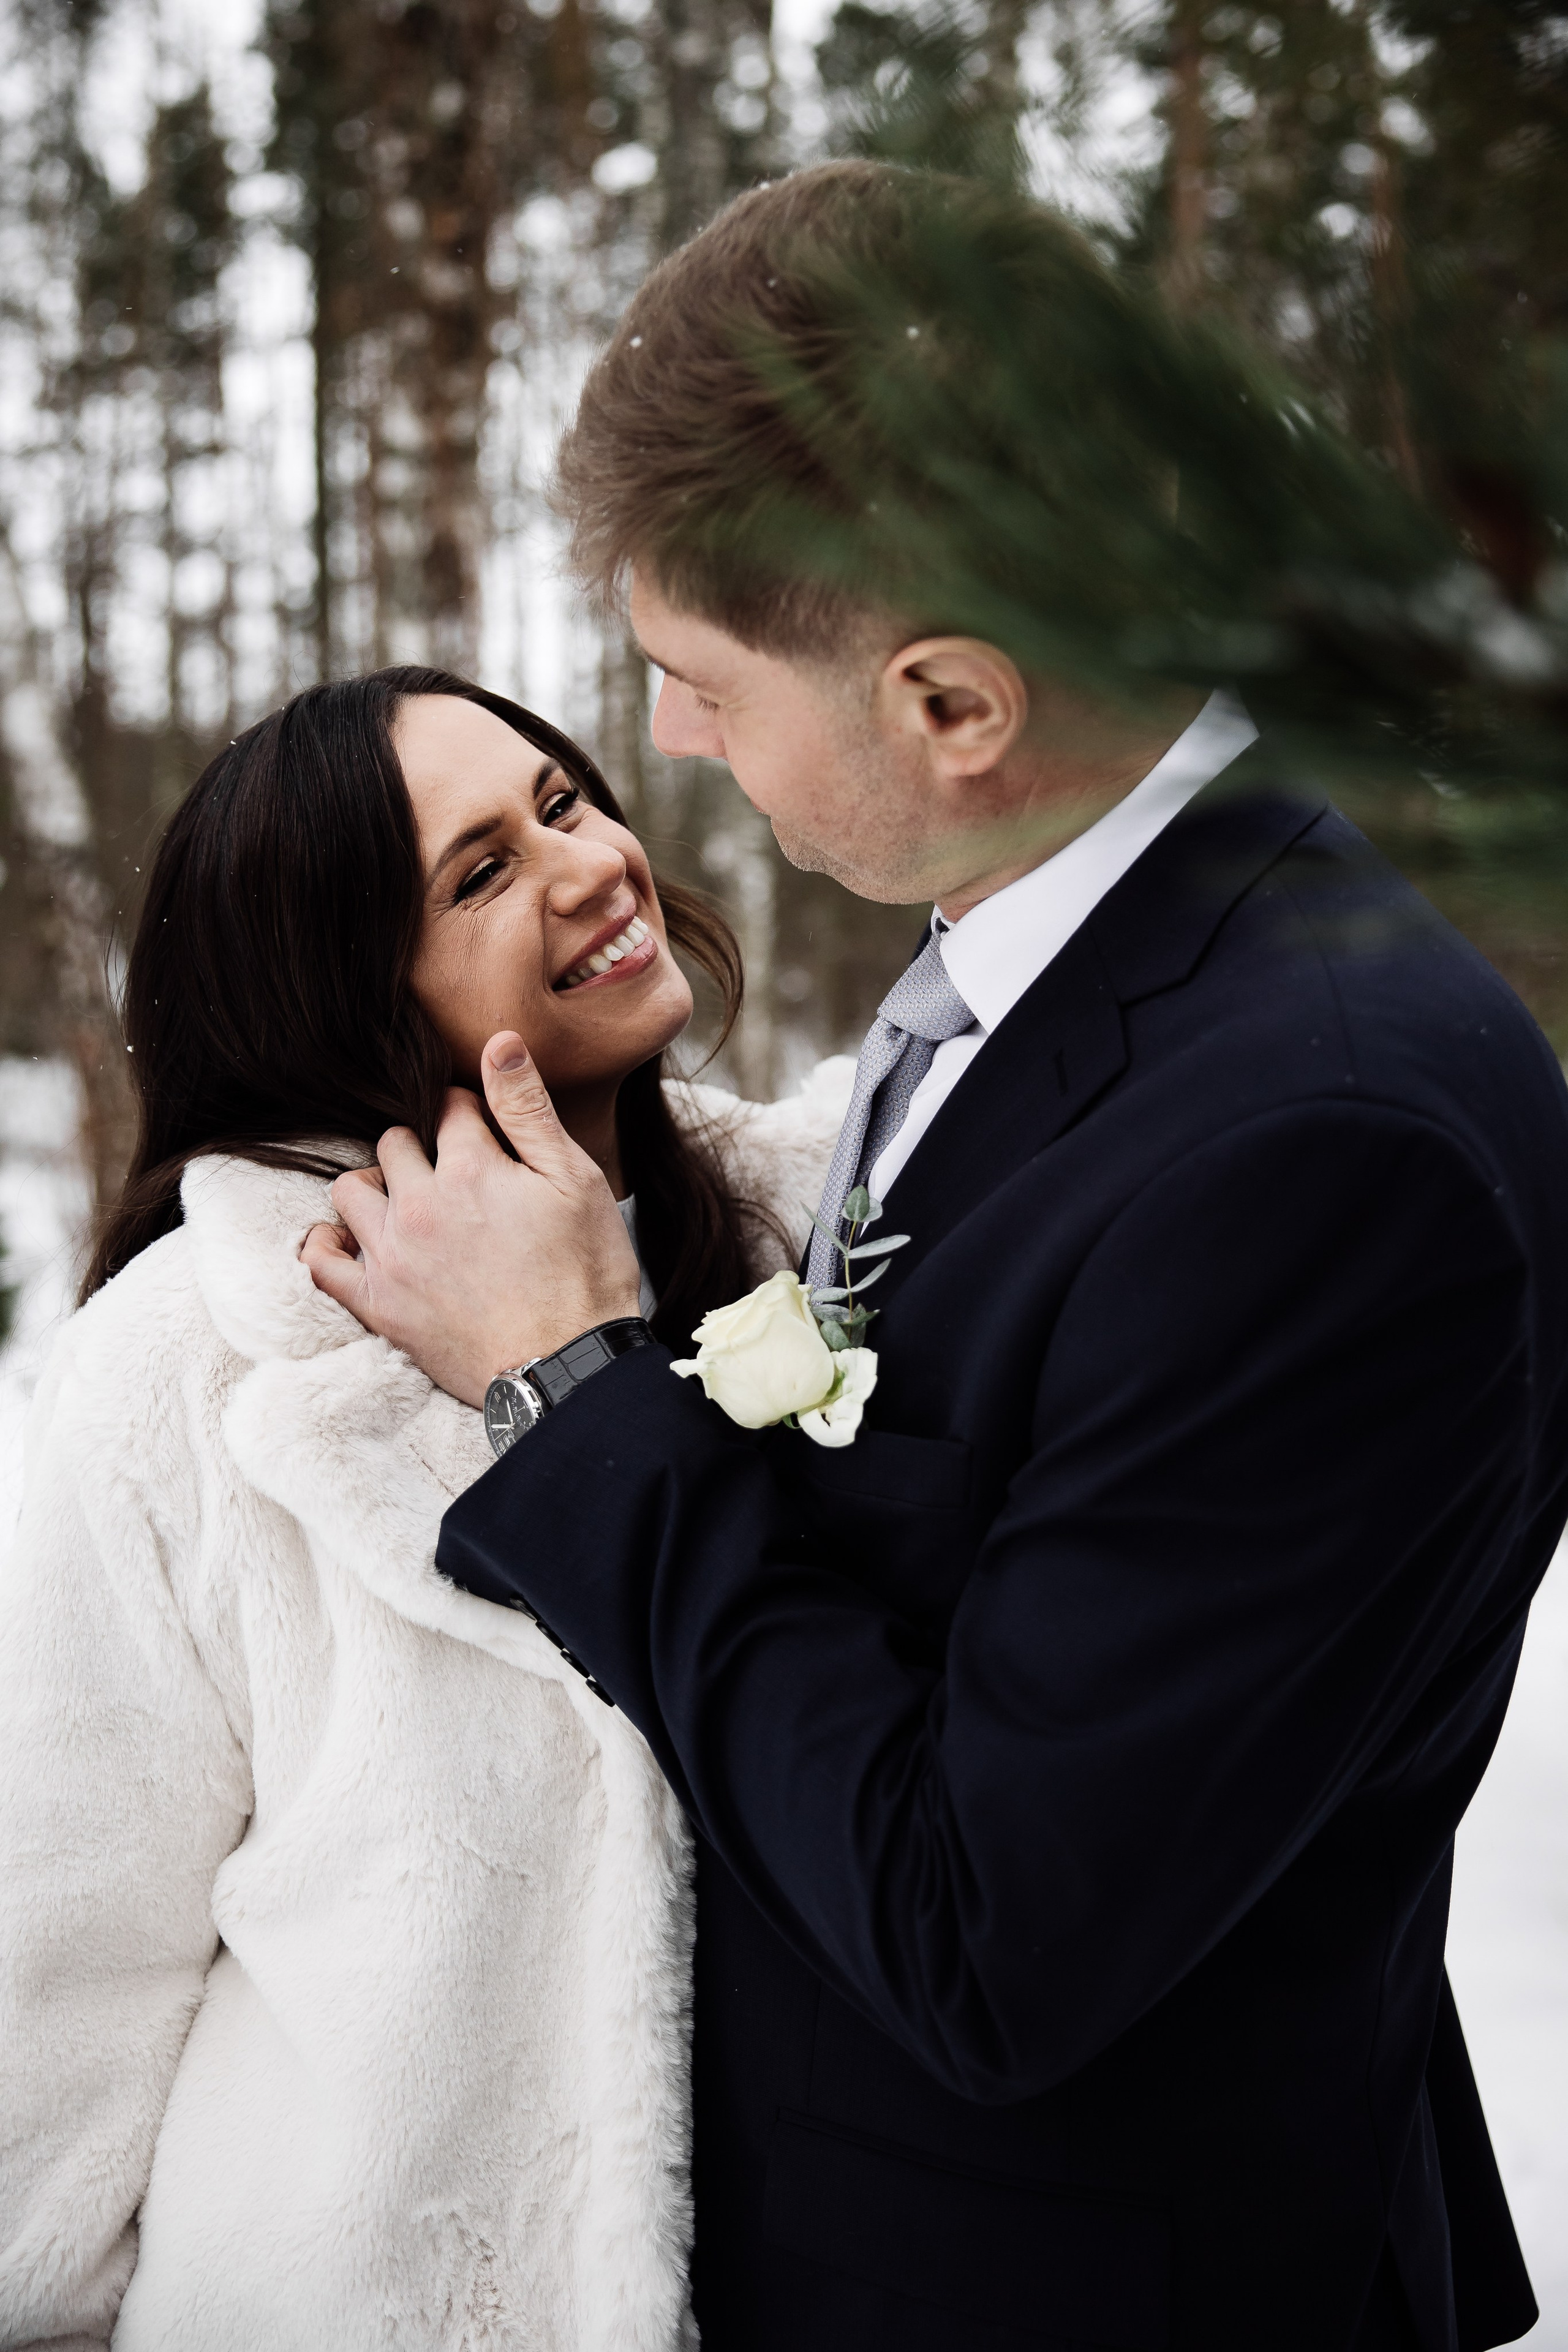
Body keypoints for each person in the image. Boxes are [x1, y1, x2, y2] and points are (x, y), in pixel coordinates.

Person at [307, 164, 1568, 2351]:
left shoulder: (1323, 1148)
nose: (667, 748)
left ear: (952, 706)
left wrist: (579, 1388)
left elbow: (991, 1934)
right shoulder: (1083, 949)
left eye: (698, 681)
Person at [0, 666, 847, 2350]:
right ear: (337, 993)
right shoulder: (187, 1375)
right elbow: (45, 2019)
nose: (593, 863)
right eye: (482, 874)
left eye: (562, 801)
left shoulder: (804, 1235)